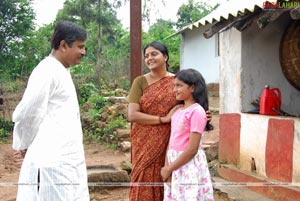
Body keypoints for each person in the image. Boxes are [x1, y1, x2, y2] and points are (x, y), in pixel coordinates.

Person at [12, 20, 90, 201]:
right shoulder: (46, 70)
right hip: (51, 163)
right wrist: (23, 143)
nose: (83, 52)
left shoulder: (61, 70)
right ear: (63, 45)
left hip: (67, 162)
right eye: (80, 47)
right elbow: (28, 112)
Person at [127, 41, 211, 201]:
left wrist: (205, 115)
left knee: (170, 178)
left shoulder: (178, 81)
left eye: (154, 54)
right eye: (146, 56)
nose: (149, 58)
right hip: (144, 140)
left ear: (165, 56)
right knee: (144, 175)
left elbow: (190, 106)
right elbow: (132, 115)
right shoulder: (140, 82)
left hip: (171, 139)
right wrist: (163, 119)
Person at [160, 69, 214, 201]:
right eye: (174, 86)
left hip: (188, 164)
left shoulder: (197, 111)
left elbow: (192, 149)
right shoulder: (178, 111)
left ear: (192, 87)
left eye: (179, 85)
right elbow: (171, 140)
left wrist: (169, 168)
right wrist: (167, 166)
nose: (174, 90)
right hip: (175, 163)